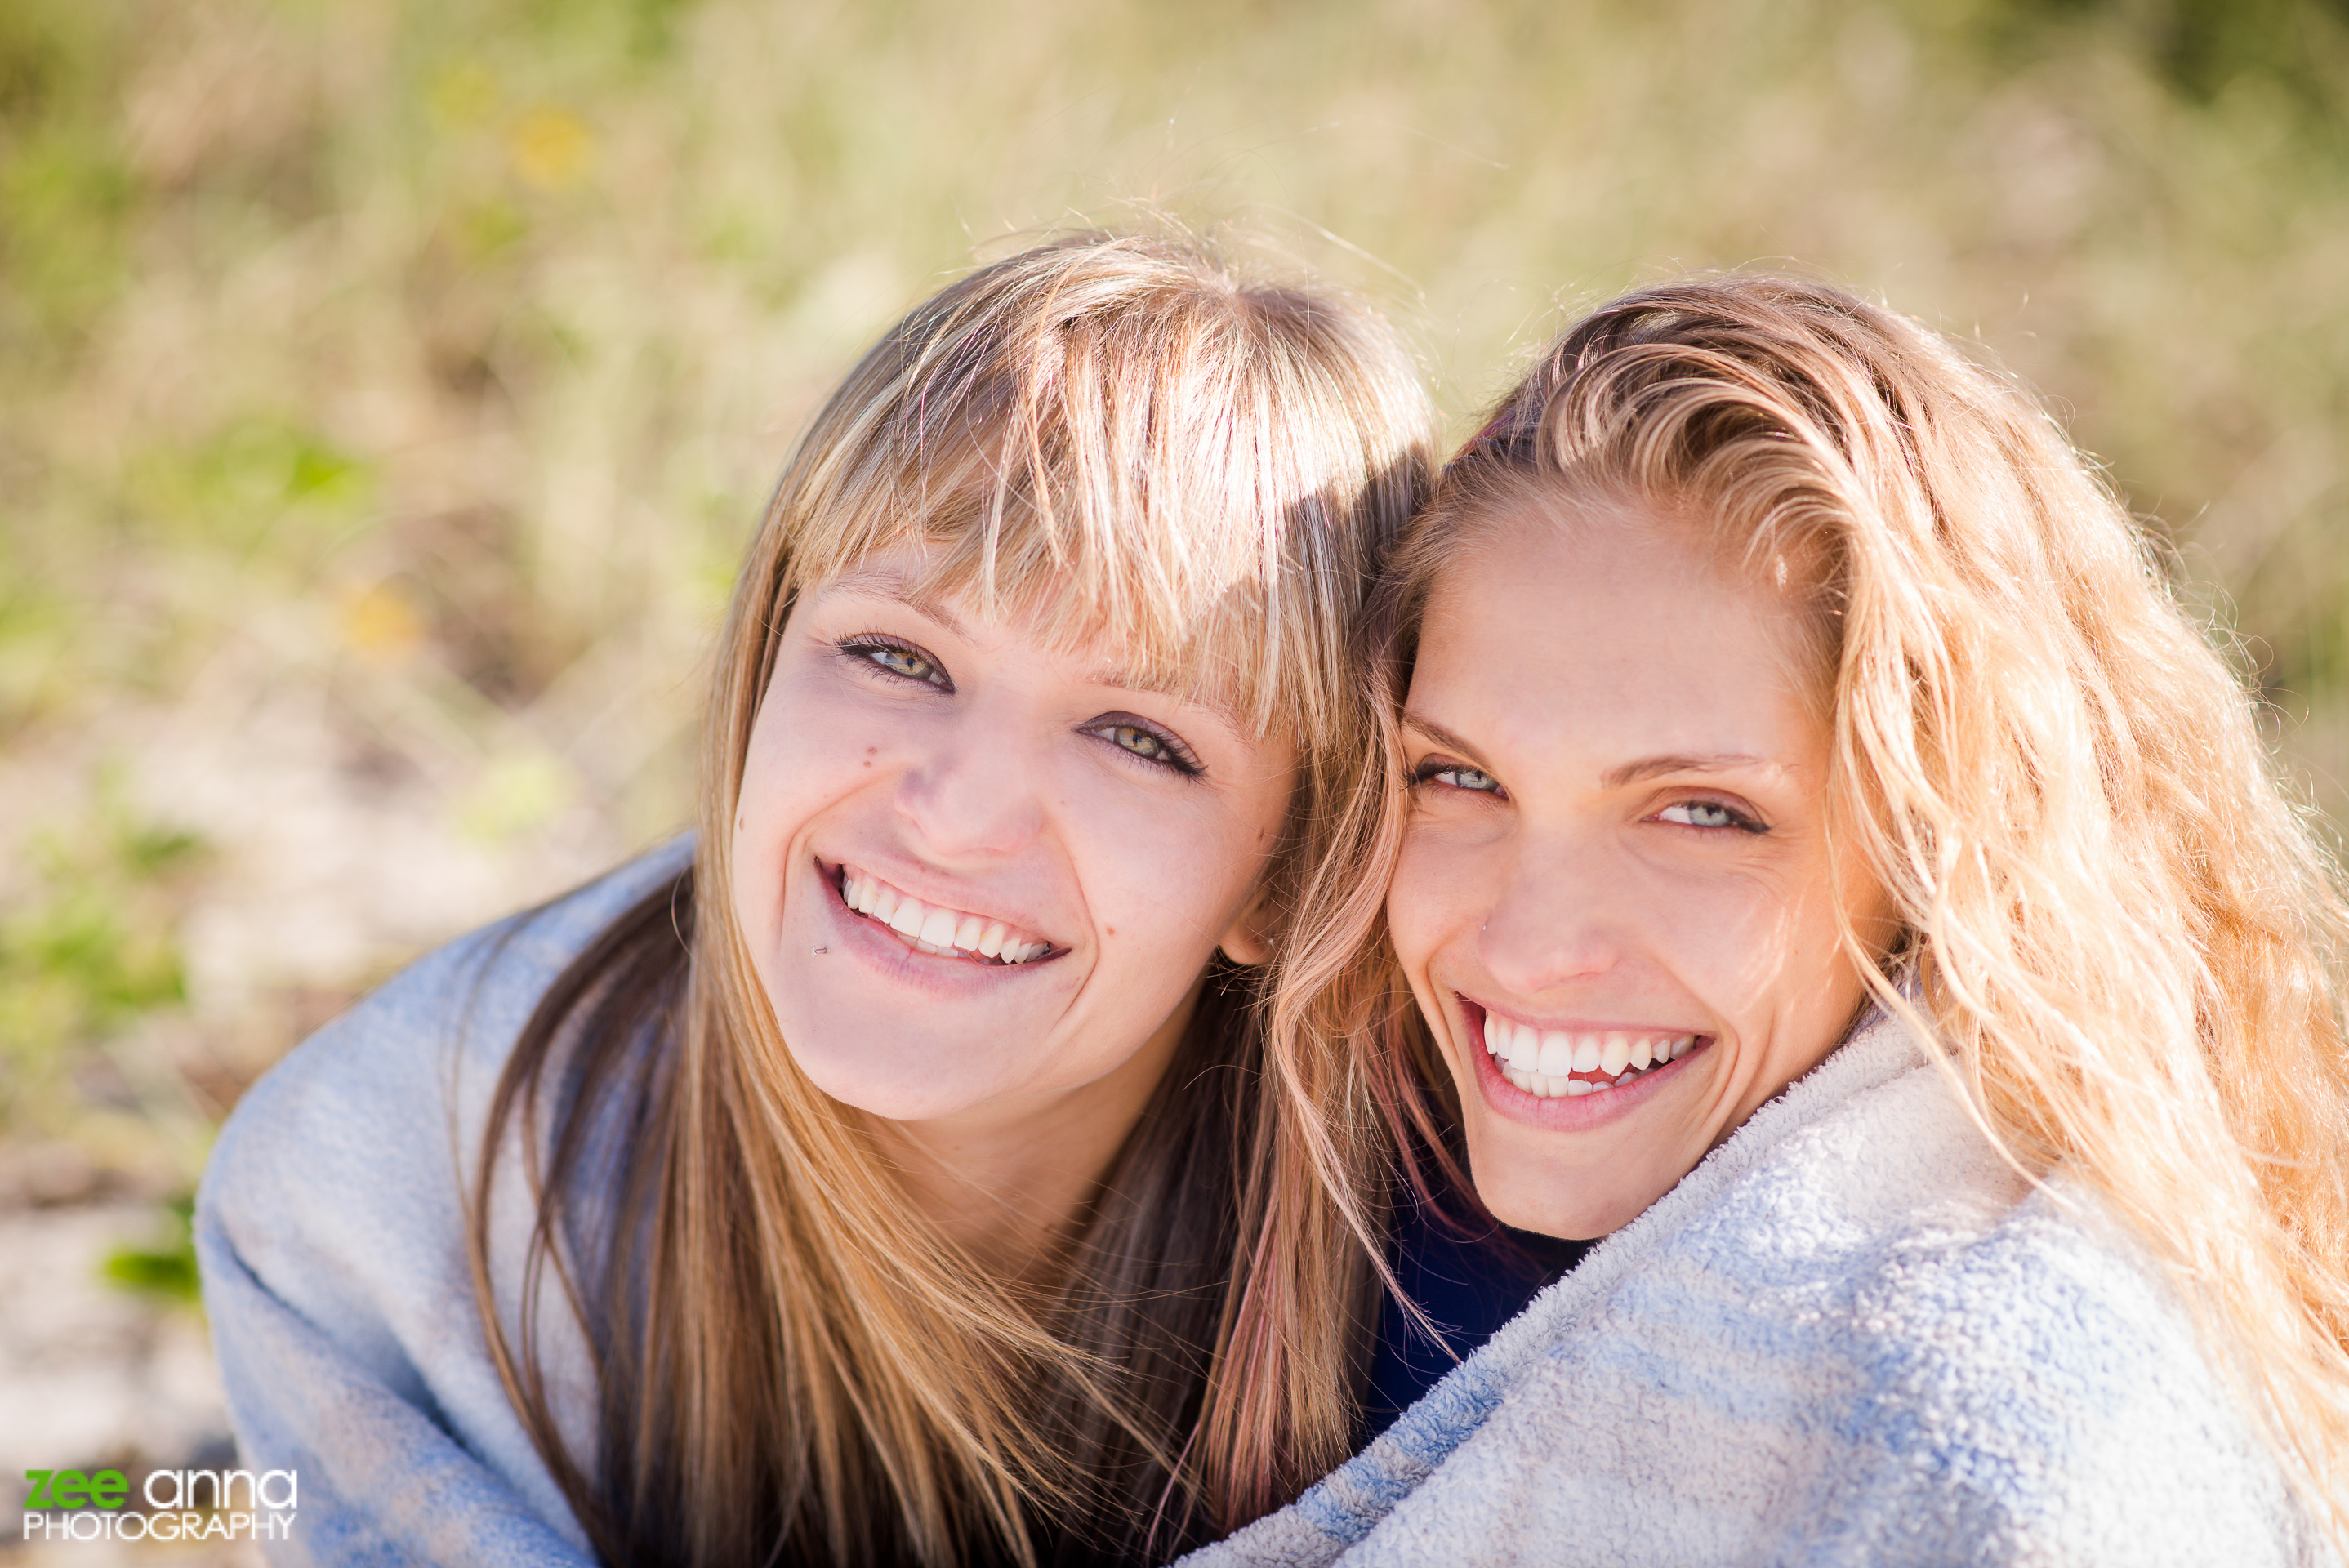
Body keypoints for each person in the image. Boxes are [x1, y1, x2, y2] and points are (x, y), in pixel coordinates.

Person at [195, 233, 1455, 1568]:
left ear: (1289, 870)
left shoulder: (1437, 1241)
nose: (959, 812)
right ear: (763, 669)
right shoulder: (389, 1199)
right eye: (896, 653)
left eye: (1141, 738)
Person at [1195, 276, 2349, 1564]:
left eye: (1700, 815)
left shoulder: (2013, 1430)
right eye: (1462, 778)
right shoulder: (1304, 1177)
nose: (1527, 945)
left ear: (1949, 853)